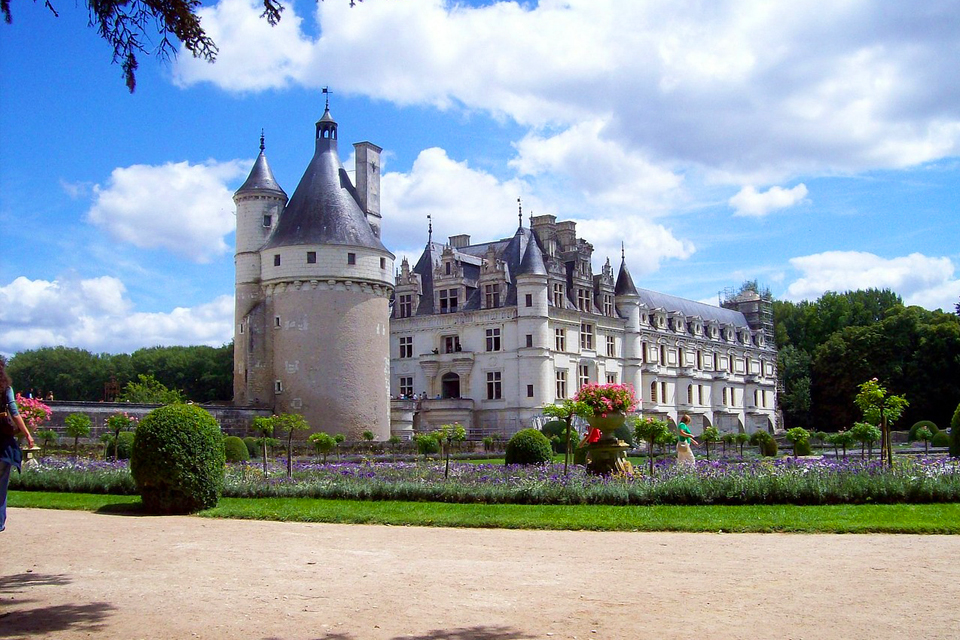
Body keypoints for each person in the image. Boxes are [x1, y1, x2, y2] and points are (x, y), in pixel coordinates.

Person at [1, 356, 36, 532]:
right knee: (1, 484)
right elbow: (14, 412)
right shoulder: (6, 389)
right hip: (3, 441)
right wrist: (27, 434)